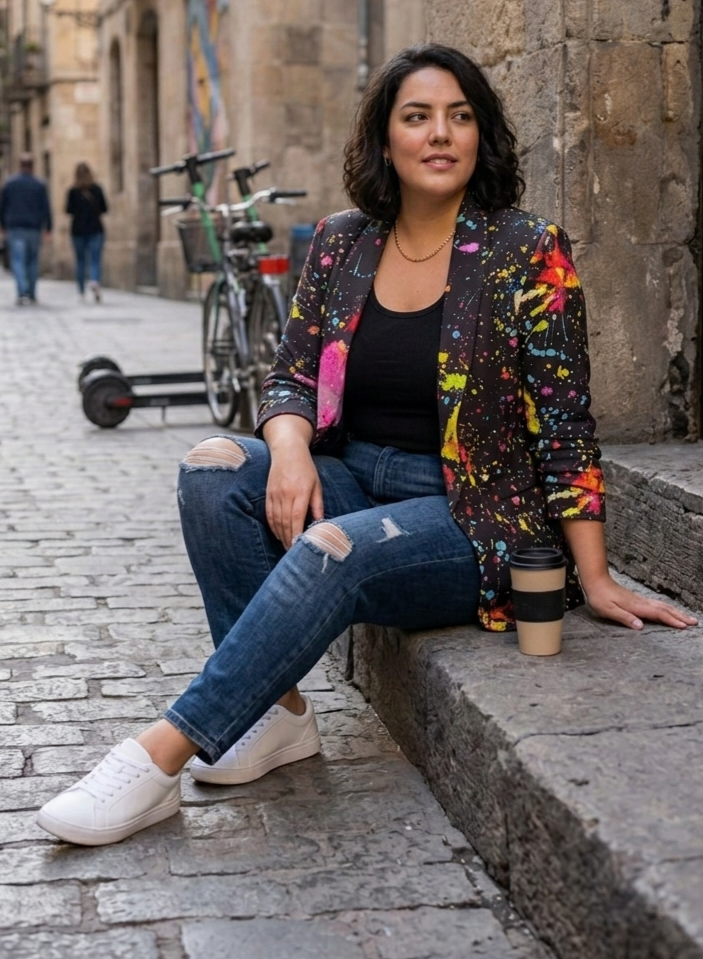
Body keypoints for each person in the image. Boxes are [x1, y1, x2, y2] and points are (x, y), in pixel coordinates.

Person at [37, 43, 697, 847]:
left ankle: (158, 755)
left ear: (481, 135)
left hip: (472, 514)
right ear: (385, 139)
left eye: (459, 116)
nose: (439, 133)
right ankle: (277, 717)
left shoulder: (527, 251)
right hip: (353, 475)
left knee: (332, 547)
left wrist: (591, 575)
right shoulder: (341, 243)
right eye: (416, 117)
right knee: (212, 468)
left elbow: (563, 426)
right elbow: (290, 374)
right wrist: (288, 450)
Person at [0, 152, 52, 305]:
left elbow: (2, 207)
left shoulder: (10, 184)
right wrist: (48, 227)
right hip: (34, 228)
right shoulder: (39, 185)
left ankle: (22, 292)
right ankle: (32, 292)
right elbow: (46, 207)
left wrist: (3, 225)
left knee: (18, 260)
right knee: (32, 260)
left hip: (15, 227)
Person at [65, 162, 108, 302]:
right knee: (95, 259)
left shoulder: (73, 191)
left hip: (78, 230)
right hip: (95, 228)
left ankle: (81, 292)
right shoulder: (97, 189)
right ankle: (94, 280)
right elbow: (104, 208)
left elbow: (68, 210)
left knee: (80, 261)